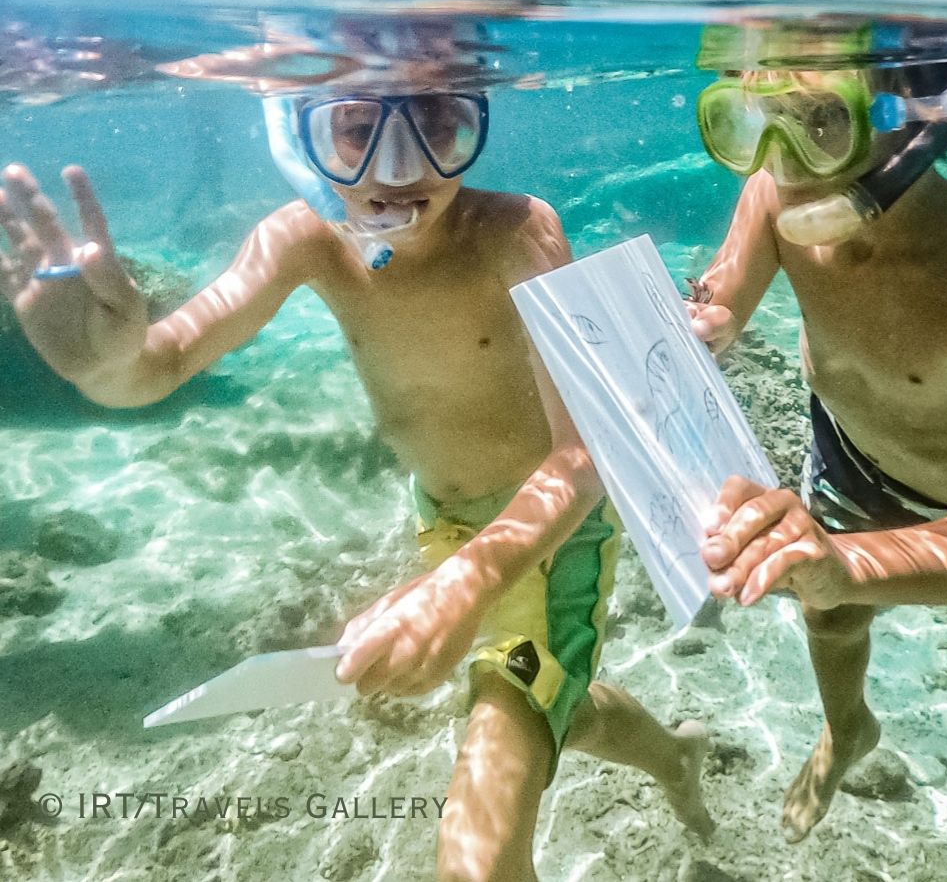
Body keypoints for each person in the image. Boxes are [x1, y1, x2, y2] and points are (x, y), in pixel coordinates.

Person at [0, 57, 711, 881]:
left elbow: (585, 454)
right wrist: (102, 365)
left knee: (477, 854)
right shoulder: (300, 240)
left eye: (437, 125)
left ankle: (642, 744)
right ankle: (672, 755)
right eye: (357, 129)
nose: (397, 170)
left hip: (549, 536)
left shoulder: (516, 233)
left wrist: (466, 583)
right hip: (444, 525)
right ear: (301, 131)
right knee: (544, 704)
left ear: (476, 120)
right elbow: (156, 367)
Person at [686, 0, 947, 844]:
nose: (781, 160)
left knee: (838, 583)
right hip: (849, 456)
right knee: (830, 614)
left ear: (915, 120)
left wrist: (851, 561)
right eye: (754, 122)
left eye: (818, 124)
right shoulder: (772, 196)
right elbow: (723, 297)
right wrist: (709, 319)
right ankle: (847, 730)